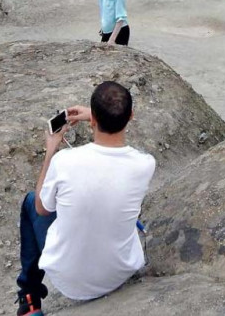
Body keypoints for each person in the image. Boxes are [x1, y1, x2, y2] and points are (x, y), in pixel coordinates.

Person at [14, 81, 155, 316]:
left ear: (93, 122)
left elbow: (42, 208)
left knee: (31, 201)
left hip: (72, 282)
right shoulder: (146, 164)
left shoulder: (65, 161)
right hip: (118, 272)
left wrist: (51, 150)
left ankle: (29, 298)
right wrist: (98, 114)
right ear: (131, 116)